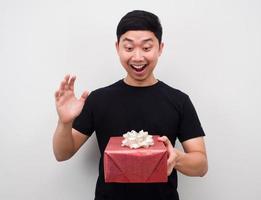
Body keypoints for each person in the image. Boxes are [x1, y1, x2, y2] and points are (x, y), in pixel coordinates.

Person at [53, 10, 208, 200]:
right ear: (118, 47)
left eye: (146, 48)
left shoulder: (179, 100)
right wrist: (64, 122)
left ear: (160, 48)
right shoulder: (98, 99)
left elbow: (201, 165)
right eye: (128, 48)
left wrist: (178, 158)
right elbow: (62, 154)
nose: (137, 57)